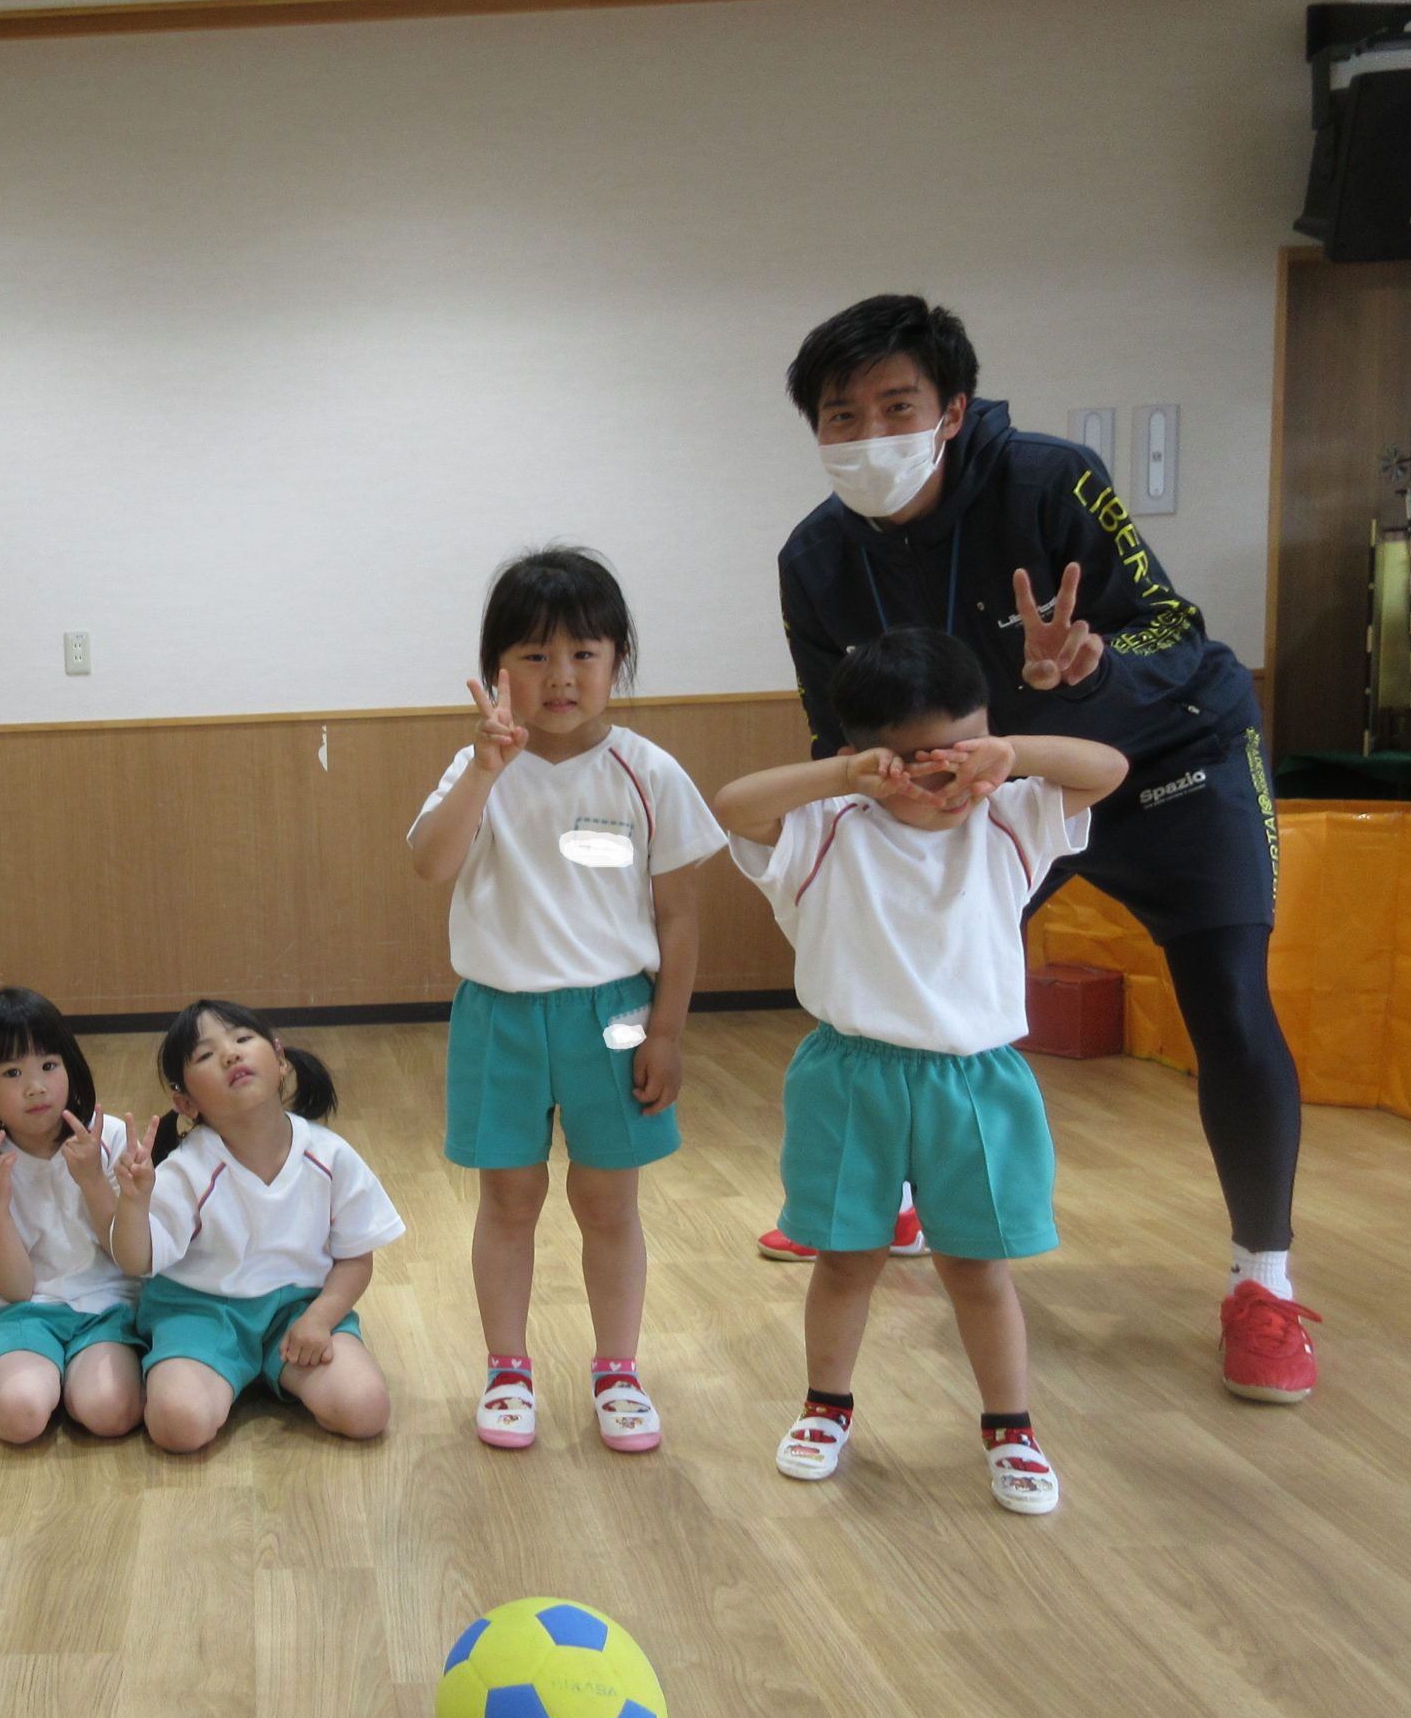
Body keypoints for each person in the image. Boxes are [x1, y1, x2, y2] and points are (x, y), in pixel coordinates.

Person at [775, 294, 1319, 1404]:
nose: (868, 433)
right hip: (993, 792)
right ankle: (894, 1189)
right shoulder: (816, 557)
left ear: (954, 410)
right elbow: (837, 727)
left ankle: (1262, 1286)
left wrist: (1093, 670)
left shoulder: (1050, 479)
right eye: (840, 414)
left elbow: (1171, 623)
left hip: (1169, 761)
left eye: (897, 405)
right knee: (909, 972)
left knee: (1226, 993)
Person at [716, 628, 1127, 1514]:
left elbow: (1105, 767)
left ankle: (1010, 1426)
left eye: (962, 754)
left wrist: (1010, 754)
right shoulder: (825, 831)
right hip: (848, 1076)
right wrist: (842, 775)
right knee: (846, 1261)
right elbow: (732, 804)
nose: (948, 782)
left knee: (979, 1269)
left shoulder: (1009, 819)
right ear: (865, 754)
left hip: (975, 1082)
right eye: (918, 763)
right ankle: (827, 1408)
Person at [408, 548, 725, 1453]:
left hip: (614, 1015)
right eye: (535, 656)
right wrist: (482, 770)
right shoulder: (479, 768)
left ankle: (617, 1371)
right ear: (497, 670)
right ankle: (508, 1369)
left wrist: (665, 1032)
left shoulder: (649, 771)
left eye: (583, 653)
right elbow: (431, 864)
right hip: (499, 1014)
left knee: (608, 1204)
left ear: (618, 660)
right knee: (507, 1199)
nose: (560, 677)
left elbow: (680, 915)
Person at [109, 1001, 401, 1455]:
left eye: (243, 1039)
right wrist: (133, 1201)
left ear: (280, 1058)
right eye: (205, 1055)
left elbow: (355, 1258)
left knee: (366, 1409)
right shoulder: (187, 1170)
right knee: (177, 1425)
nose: (231, 1055)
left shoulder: (331, 1155)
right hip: (200, 1313)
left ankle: (264, 1370)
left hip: (297, 1313)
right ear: (185, 1101)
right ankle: (207, 1370)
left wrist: (319, 1318)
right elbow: (135, 1260)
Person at [0, 988, 146, 1444]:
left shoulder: (110, 1136)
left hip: (108, 1305)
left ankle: (66, 1379)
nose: (35, 1086)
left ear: (71, 1067)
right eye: (12, 1072)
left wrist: (93, 1180)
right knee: (18, 1414)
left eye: (49, 1066)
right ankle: (35, 1378)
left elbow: (130, 1258)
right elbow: (16, 1288)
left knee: (111, 1412)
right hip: (22, 1312)